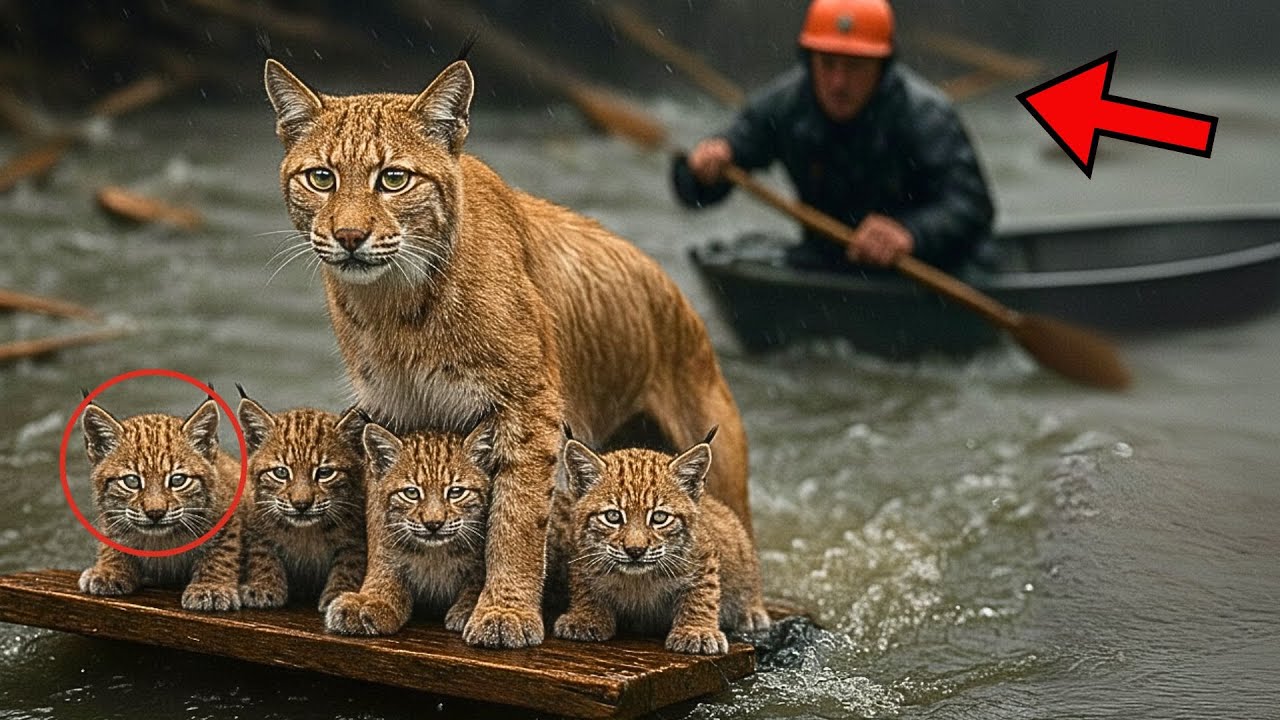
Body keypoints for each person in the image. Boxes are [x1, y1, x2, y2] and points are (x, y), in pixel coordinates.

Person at [672, 0, 994, 273]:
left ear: (881, 67)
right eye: (827, 64)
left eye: (854, 66)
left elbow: (972, 207)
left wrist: (910, 235)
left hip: (930, 269)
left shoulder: (926, 117)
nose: (838, 82)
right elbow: (697, 190)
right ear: (809, 61)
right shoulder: (785, 105)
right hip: (830, 263)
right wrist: (703, 169)